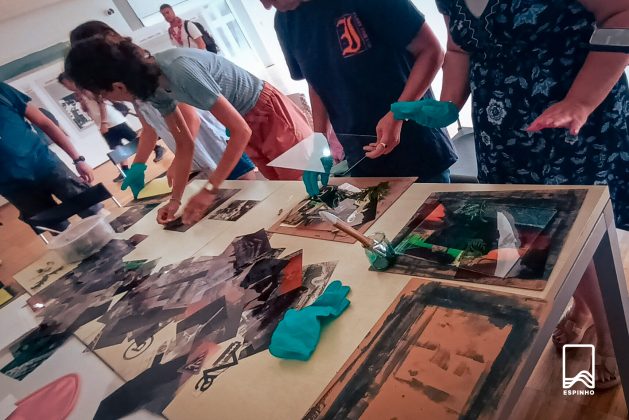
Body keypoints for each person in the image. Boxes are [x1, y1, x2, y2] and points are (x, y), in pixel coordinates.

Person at [437, 0, 629, 388]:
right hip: (502, 137)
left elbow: (622, 15)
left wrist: (581, 101)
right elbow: (459, 48)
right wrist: (444, 107)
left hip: (574, 125)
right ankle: (584, 307)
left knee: (581, 233)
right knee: (541, 234)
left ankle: (611, 326)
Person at [65, 31, 312, 225]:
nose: (110, 101)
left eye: (105, 96)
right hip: (247, 122)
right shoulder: (151, 88)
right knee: (286, 191)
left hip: (267, 113)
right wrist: (175, 200)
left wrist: (210, 189)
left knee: (310, 184)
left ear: (118, 86)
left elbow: (240, 131)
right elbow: (185, 144)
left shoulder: (179, 69)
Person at [266, 0, 457, 181]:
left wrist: (397, 114)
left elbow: (431, 51)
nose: (266, 5)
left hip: (416, 144)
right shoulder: (285, 21)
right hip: (361, 156)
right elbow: (316, 83)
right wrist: (320, 142)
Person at [0, 82, 100, 233]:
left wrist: (78, 159)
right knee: (59, 231)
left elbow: (45, 123)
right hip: (12, 187)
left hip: (47, 165)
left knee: (92, 211)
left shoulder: (2, 90)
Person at [58, 73, 165, 181]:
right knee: (117, 147)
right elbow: (87, 110)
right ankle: (125, 171)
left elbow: (102, 104)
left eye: (66, 84)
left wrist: (104, 122)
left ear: (72, 81)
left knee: (134, 139)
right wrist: (82, 102)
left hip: (113, 120)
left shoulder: (88, 89)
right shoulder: (79, 94)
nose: (67, 87)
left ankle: (157, 148)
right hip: (101, 124)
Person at [135, 101, 257, 181]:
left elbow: (192, 120)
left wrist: (178, 160)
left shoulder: (161, 84)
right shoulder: (135, 98)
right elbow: (149, 130)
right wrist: (137, 167)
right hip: (197, 160)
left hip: (217, 147)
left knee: (246, 189)